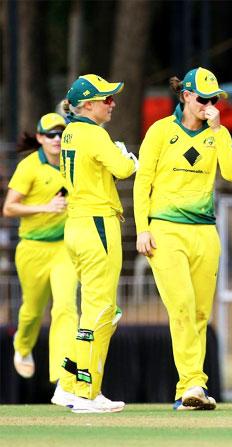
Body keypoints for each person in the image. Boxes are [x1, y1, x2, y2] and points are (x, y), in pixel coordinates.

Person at [134, 67, 232, 411]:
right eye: (202, 98)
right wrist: (142, 228)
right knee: (180, 306)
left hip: (205, 231)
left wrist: (219, 130)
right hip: (166, 229)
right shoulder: (161, 131)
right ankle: (193, 384)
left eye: (214, 99)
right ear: (185, 96)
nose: (208, 104)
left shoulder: (217, 132)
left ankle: (190, 388)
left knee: (199, 313)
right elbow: (143, 182)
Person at [60, 74, 138, 413]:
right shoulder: (93, 133)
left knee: (92, 310)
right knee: (101, 310)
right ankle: (86, 392)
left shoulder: (69, 132)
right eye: (106, 99)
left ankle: (68, 385)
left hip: (75, 225)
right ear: (88, 104)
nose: (112, 104)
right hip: (97, 225)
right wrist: (130, 158)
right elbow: (123, 168)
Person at [3, 113, 78, 404]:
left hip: (64, 248)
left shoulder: (72, 163)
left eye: (61, 134)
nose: (57, 139)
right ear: (39, 138)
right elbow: (9, 208)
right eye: (50, 135)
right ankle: (22, 345)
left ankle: (64, 373)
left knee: (65, 307)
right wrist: (46, 208)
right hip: (32, 248)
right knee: (32, 311)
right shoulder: (29, 167)